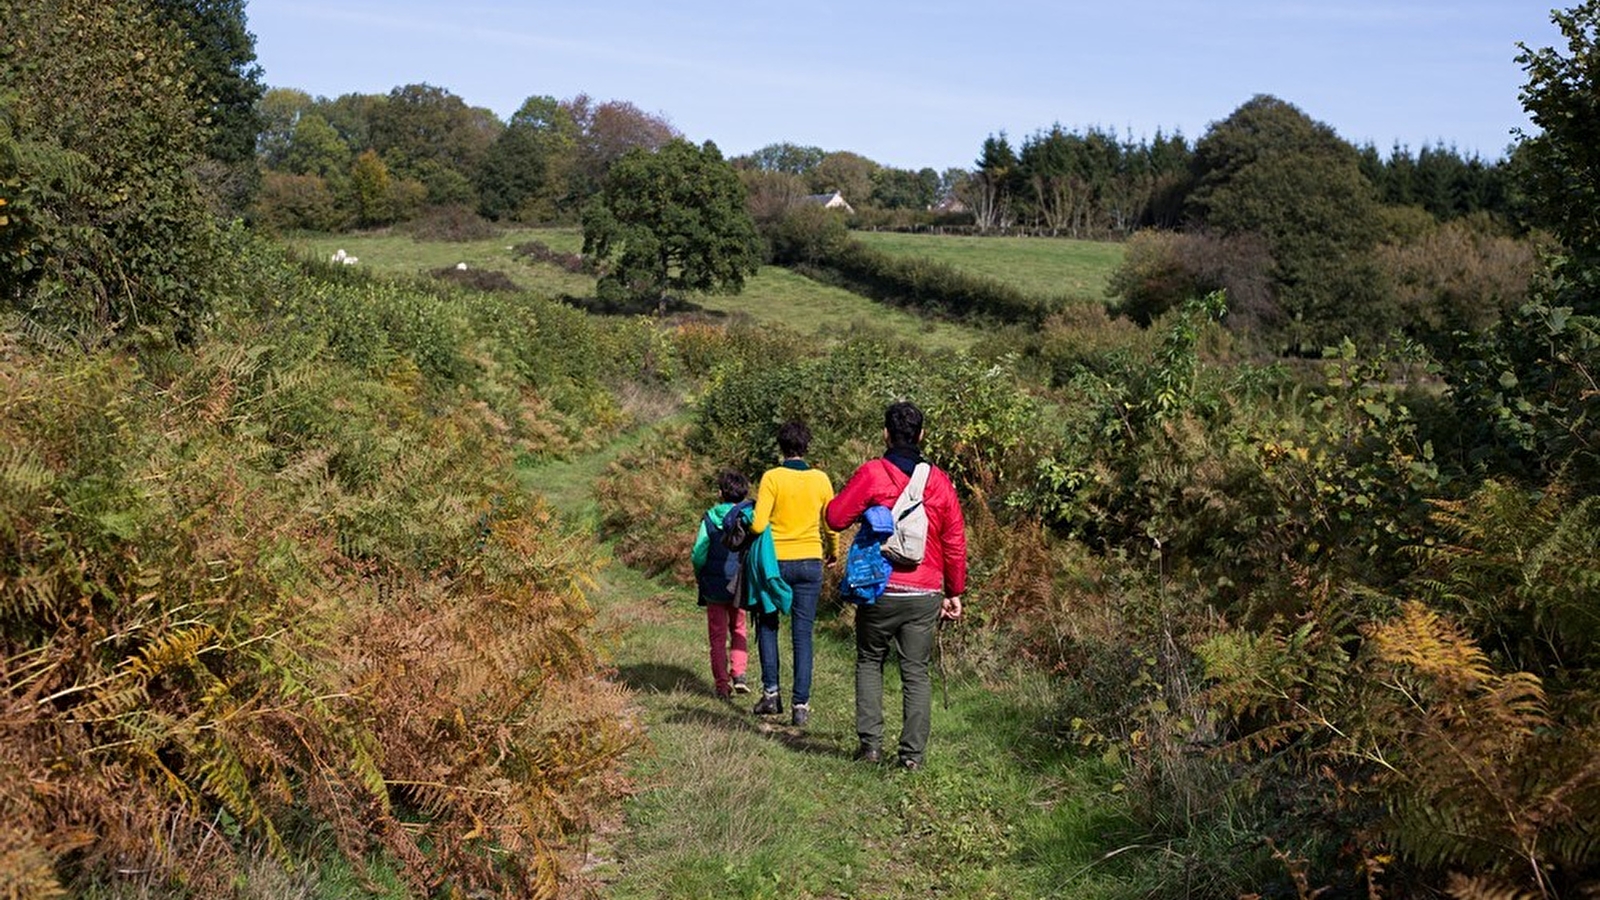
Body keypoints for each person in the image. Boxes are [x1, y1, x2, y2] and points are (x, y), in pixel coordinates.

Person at [825, 401, 966, 770]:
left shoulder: (873, 473)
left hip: (880, 589)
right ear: (921, 436)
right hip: (925, 593)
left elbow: (836, 517)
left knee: (870, 660)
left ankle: (870, 747)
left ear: (886, 434)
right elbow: (954, 540)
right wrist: (954, 591)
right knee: (916, 672)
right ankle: (912, 758)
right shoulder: (940, 482)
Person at [749, 420, 838, 727]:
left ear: (781, 447)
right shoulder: (821, 479)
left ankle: (771, 695)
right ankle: (801, 705)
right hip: (811, 560)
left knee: (769, 625)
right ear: (806, 446)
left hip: (776, 563)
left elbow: (759, 525)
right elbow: (830, 523)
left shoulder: (772, 477)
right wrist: (834, 550)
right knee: (803, 634)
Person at [690, 469, 752, 699]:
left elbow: (698, 552)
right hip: (739, 583)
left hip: (714, 586)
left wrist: (700, 574)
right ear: (744, 493)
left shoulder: (710, 518)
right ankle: (739, 673)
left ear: (720, 493)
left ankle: (721, 685)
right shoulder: (748, 518)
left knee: (717, 635)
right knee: (739, 628)